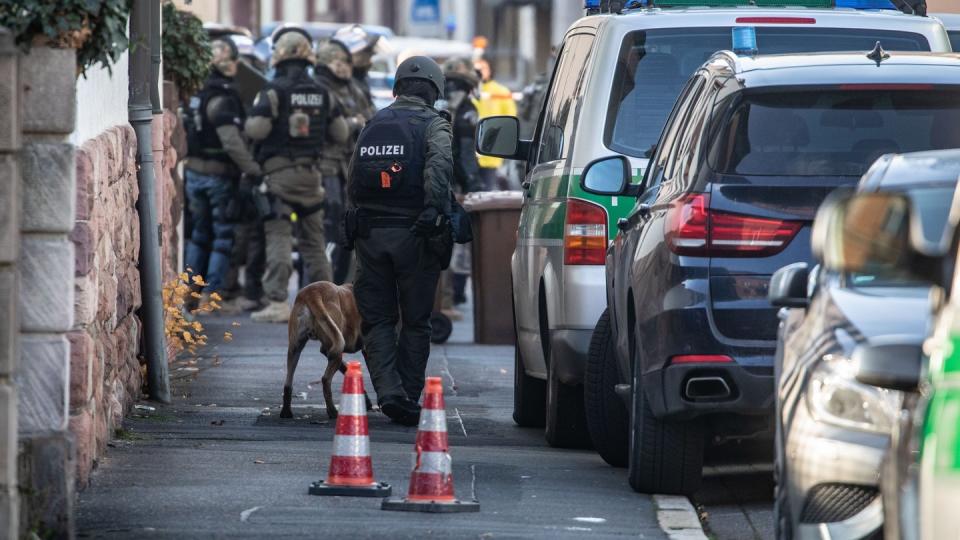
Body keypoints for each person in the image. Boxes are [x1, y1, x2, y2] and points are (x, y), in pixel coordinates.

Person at [346, 56, 454, 425]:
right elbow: (439, 167)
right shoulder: (433, 125)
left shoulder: (373, 123)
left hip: (371, 234)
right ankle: (407, 394)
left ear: (396, 89)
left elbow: (353, 177)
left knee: (377, 319)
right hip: (415, 234)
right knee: (416, 320)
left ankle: (389, 392)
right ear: (435, 92)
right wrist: (435, 212)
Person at [244, 27, 349, 323]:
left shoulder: (272, 90)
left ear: (278, 58)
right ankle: (329, 305)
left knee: (278, 236)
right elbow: (341, 133)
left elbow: (256, 130)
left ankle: (278, 302)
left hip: (279, 178)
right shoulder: (323, 92)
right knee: (314, 243)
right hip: (312, 178)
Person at [183, 37, 261, 304]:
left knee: (198, 235)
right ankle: (211, 296)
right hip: (218, 176)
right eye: (232, 60)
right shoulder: (223, 97)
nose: (236, 66)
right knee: (222, 237)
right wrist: (253, 169)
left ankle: (190, 291)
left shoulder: (198, 92)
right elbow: (231, 141)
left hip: (193, 173)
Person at [314, 39, 372, 283]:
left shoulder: (353, 89)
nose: (344, 67)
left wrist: (358, 123)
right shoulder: (319, 88)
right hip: (326, 166)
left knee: (349, 226)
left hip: (350, 165)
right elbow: (337, 131)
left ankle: (342, 285)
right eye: (338, 62)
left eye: (347, 62)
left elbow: (370, 118)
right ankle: (323, 284)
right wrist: (355, 122)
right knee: (330, 226)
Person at [439, 57, 483, 316]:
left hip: (428, 179)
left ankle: (434, 302)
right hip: (453, 184)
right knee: (452, 244)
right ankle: (446, 302)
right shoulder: (466, 107)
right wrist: (474, 187)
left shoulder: (434, 101)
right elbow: (466, 153)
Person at [474, 58, 517, 191]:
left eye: (483, 68)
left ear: (490, 70)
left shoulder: (501, 91)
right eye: (477, 69)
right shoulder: (470, 91)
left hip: (489, 152)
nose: (480, 72)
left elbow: (510, 117)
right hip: (468, 153)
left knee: (487, 189)